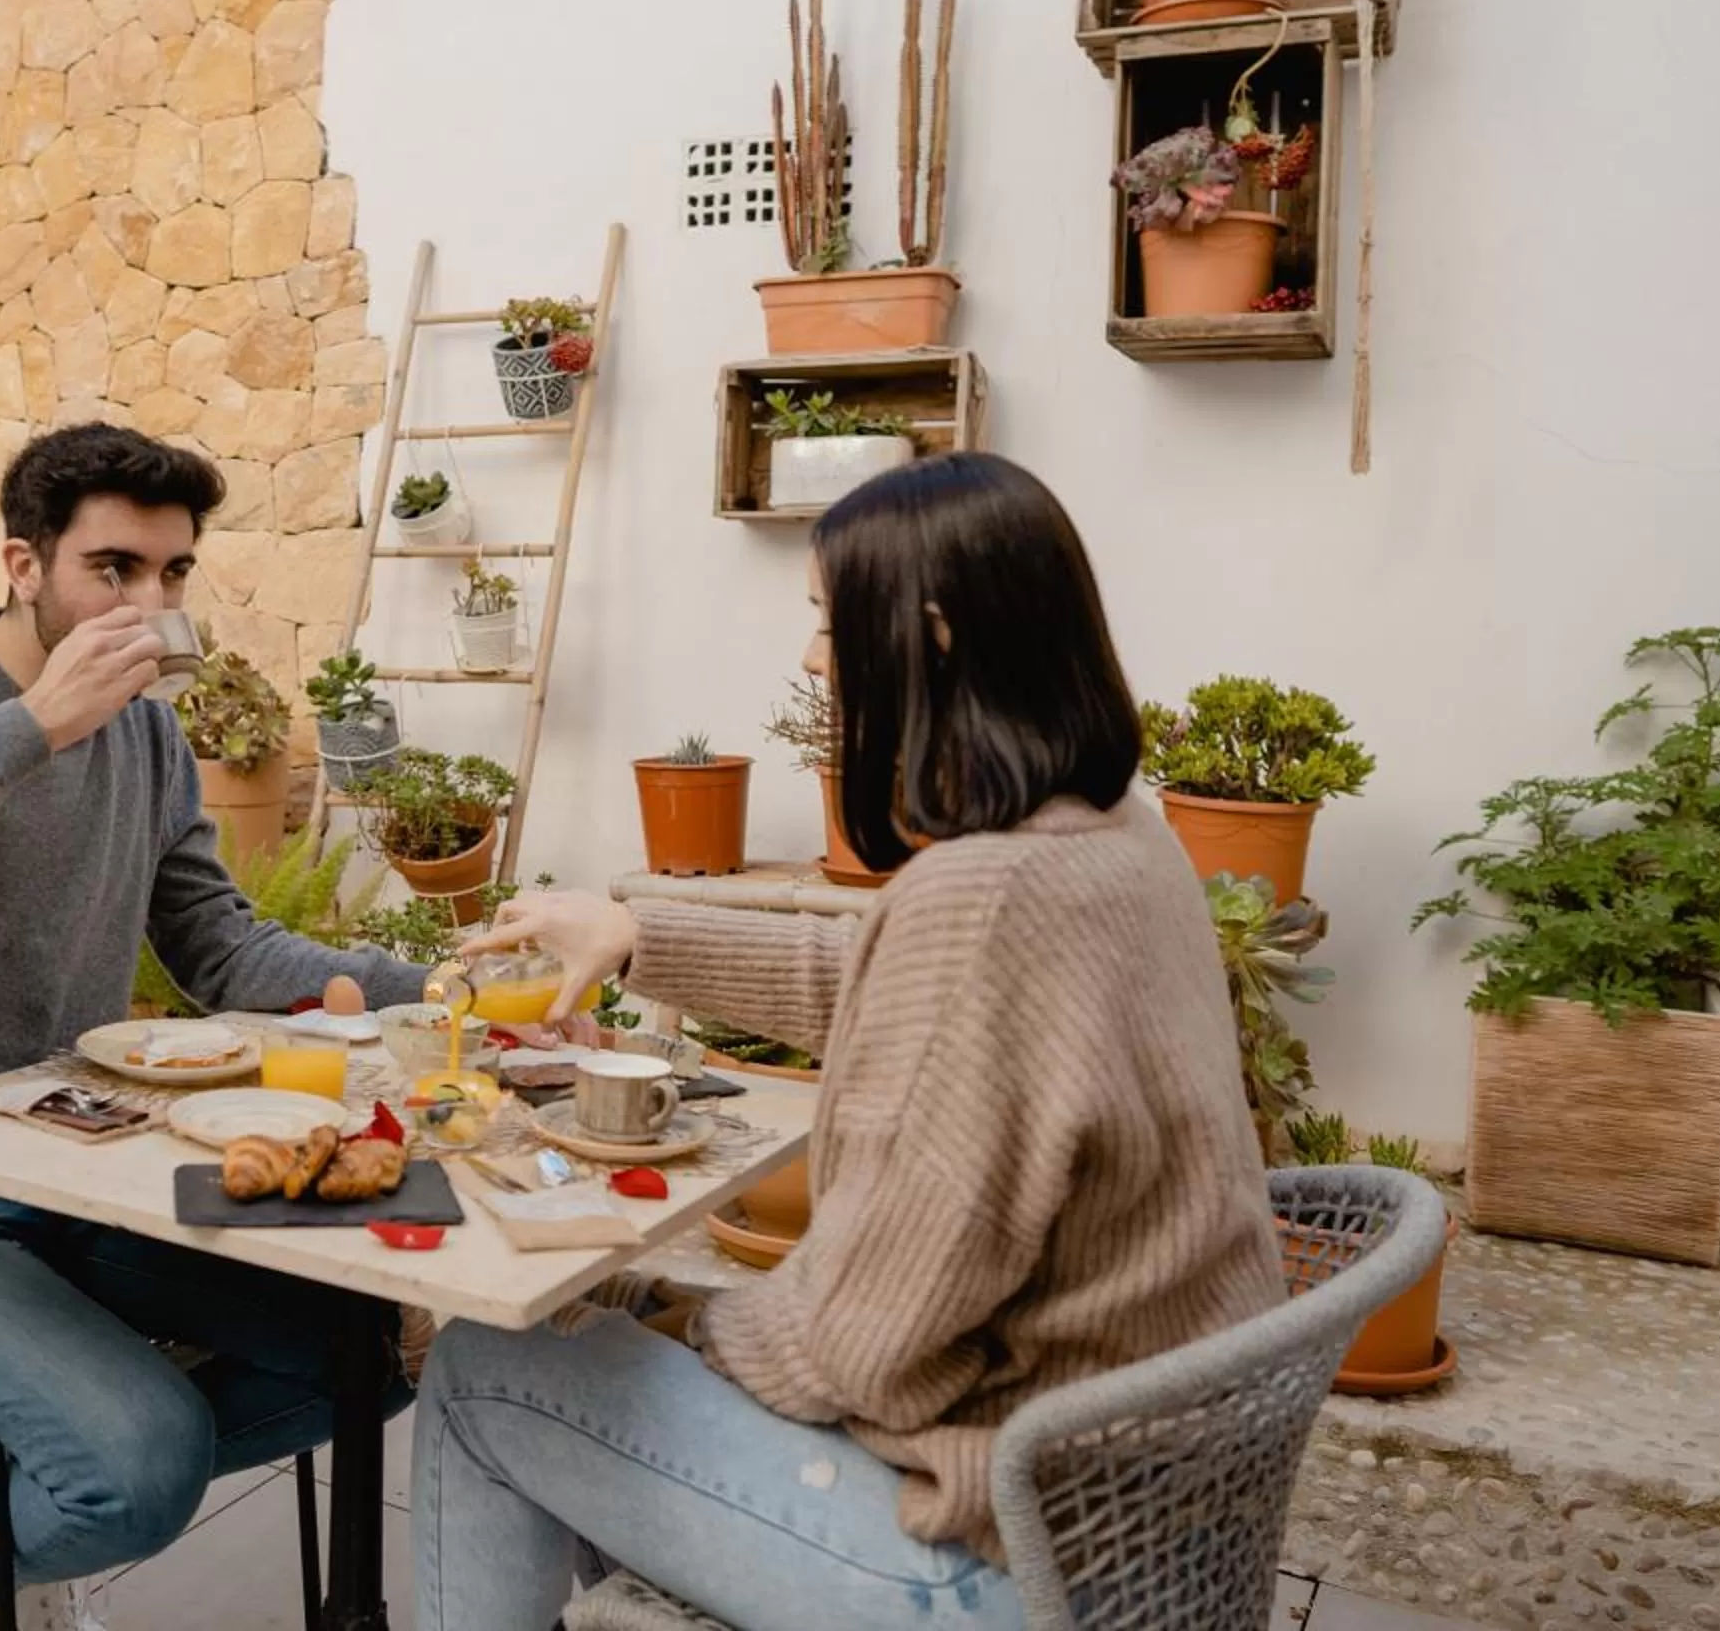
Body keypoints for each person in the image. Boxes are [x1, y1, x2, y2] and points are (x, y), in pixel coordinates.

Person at [413, 453, 1280, 1631]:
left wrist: (675, 1324)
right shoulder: (1116, 838)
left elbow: (859, 1349)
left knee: (488, 1361)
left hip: (1014, 1555)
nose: (815, 657)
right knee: (605, 1329)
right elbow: (894, 978)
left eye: (828, 619)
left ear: (926, 637)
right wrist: (631, 931)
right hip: (1150, 1519)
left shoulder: (986, 900)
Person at [0, 421, 432, 1631]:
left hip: (63, 1176)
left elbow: (220, 944)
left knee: (367, 1353)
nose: (150, 604)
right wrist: (29, 727)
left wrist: (430, 985)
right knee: (139, 1458)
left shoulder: (149, 734)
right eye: (114, 568)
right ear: (21, 564)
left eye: (173, 573)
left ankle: (41, 1517)